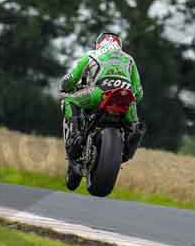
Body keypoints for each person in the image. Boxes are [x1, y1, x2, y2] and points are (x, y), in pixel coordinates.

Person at [60, 32, 146, 164]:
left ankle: (76, 137)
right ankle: (132, 139)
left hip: (99, 93)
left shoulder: (92, 54)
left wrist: (66, 86)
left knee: (69, 100)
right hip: (125, 98)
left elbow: (71, 79)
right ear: (119, 46)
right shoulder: (129, 59)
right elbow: (138, 92)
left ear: (98, 44)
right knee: (133, 126)